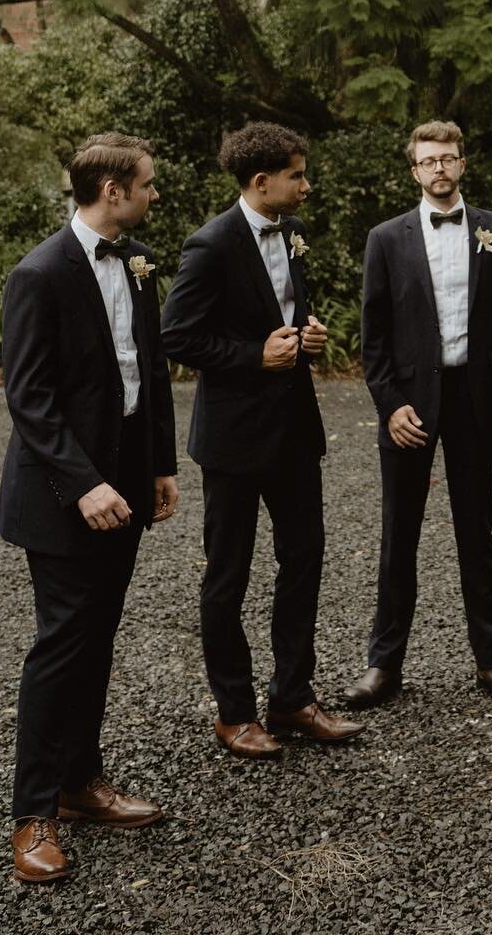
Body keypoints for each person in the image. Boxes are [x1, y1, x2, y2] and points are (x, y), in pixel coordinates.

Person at [0, 133, 179, 886]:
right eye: (147, 184)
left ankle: (80, 784)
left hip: (127, 484)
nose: (154, 194)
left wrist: (158, 467)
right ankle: (31, 814)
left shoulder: (137, 265)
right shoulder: (38, 273)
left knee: (97, 635)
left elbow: (150, 368)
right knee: (61, 645)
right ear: (112, 191)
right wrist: (86, 484)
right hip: (63, 495)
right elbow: (30, 400)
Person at [160, 122, 359, 758]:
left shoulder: (295, 236)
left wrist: (307, 335)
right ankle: (235, 711)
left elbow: (285, 314)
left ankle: (293, 699)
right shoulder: (210, 245)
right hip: (235, 439)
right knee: (229, 577)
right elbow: (177, 337)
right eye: (298, 175)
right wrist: (255, 356)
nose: (307, 185)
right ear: (261, 181)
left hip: (296, 432)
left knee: (304, 563)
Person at [344, 120, 492, 709]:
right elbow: (371, 337)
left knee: (475, 530)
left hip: (475, 399)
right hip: (409, 404)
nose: (440, 169)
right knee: (398, 534)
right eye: (429, 161)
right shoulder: (386, 238)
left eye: (449, 159)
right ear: (414, 170)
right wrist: (390, 404)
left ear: (462, 164)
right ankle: (383, 665)